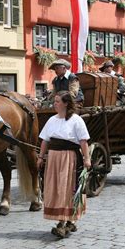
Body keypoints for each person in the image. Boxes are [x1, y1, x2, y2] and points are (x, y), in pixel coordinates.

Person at [37, 92, 91, 238]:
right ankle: (68, 220)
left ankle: (62, 223)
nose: (54, 104)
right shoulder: (51, 120)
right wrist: (41, 157)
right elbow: (45, 141)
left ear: (66, 103)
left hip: (69, 158)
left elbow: (83, 142)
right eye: (54, 101)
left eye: (57, 101)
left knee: (65, 188)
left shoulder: (76, 120)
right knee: (55, 188)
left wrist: (87, 159)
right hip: (54, 158)